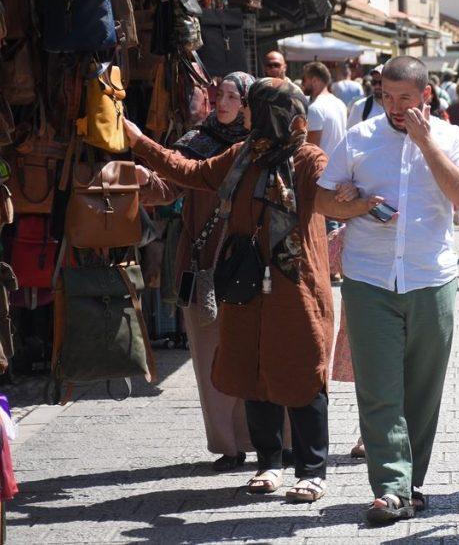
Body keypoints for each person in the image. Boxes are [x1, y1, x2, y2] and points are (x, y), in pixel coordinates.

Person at [125, 78, 334, 503]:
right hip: (245, 282)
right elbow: (191, 172)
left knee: (301, 370)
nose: (245, 114)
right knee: (252, 368)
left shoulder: (308, 159)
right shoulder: (242, 156)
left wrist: (357, 200)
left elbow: (333, 195)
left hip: (297, 287)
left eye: (252, 108)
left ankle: (312, 469)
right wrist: (141, 142)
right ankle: (270, 463)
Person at [315, 56, 459, 525]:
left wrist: (428, 145)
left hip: (432, 279)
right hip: (369, 279)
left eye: (404, 97)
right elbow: (322, 199)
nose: (394, 106)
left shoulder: (451, 138)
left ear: (425, 96)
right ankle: (390, 488)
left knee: (423, 390)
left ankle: (413, 483)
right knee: (379, 387)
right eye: (387, 96)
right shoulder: (361, 137)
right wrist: (357, 203)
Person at [139, 72, 254, 472]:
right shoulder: (193, 142)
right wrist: (142, 183)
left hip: (250, 260)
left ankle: (274, 441)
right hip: (203, 259)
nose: (221, 103)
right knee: (209, 353)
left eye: (231, 96)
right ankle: (228, 445)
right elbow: (168, 186)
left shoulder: (259, 147)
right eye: (217, 95)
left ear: (247, 104)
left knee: (257, 350)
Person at [303, 62, 348, 158]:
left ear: (314, 81)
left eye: (305, 80)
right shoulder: (340, 103)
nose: (303, 84)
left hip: (322, 169)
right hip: (339, 167)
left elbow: (311, 151)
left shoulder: (315, 108)